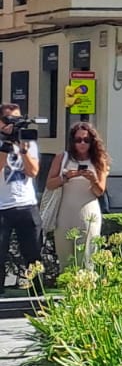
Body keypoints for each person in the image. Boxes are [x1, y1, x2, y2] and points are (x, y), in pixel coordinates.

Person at [47, 122, 109, 269]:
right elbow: (49, 184)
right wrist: (66, 177)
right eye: (78, 140)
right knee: (65, 259)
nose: (82, 143)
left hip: (89, 213)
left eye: (86, 140)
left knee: (87, 259)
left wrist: (93, 180)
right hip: (64, 213)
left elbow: (99, 191)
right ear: (72, 141)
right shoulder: (62, 158)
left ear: (92, 142)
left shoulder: (99, 160)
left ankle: (87, 283)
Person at [0, 105, 42, 289]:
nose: (14, 124)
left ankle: (37, 290)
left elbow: (33, 172)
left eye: (18, 120)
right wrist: (6, 145)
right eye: (9, 120)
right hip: (2, 206)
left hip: (27, 204)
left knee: (33, 251)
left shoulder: (28, 142)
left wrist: (23, 150)